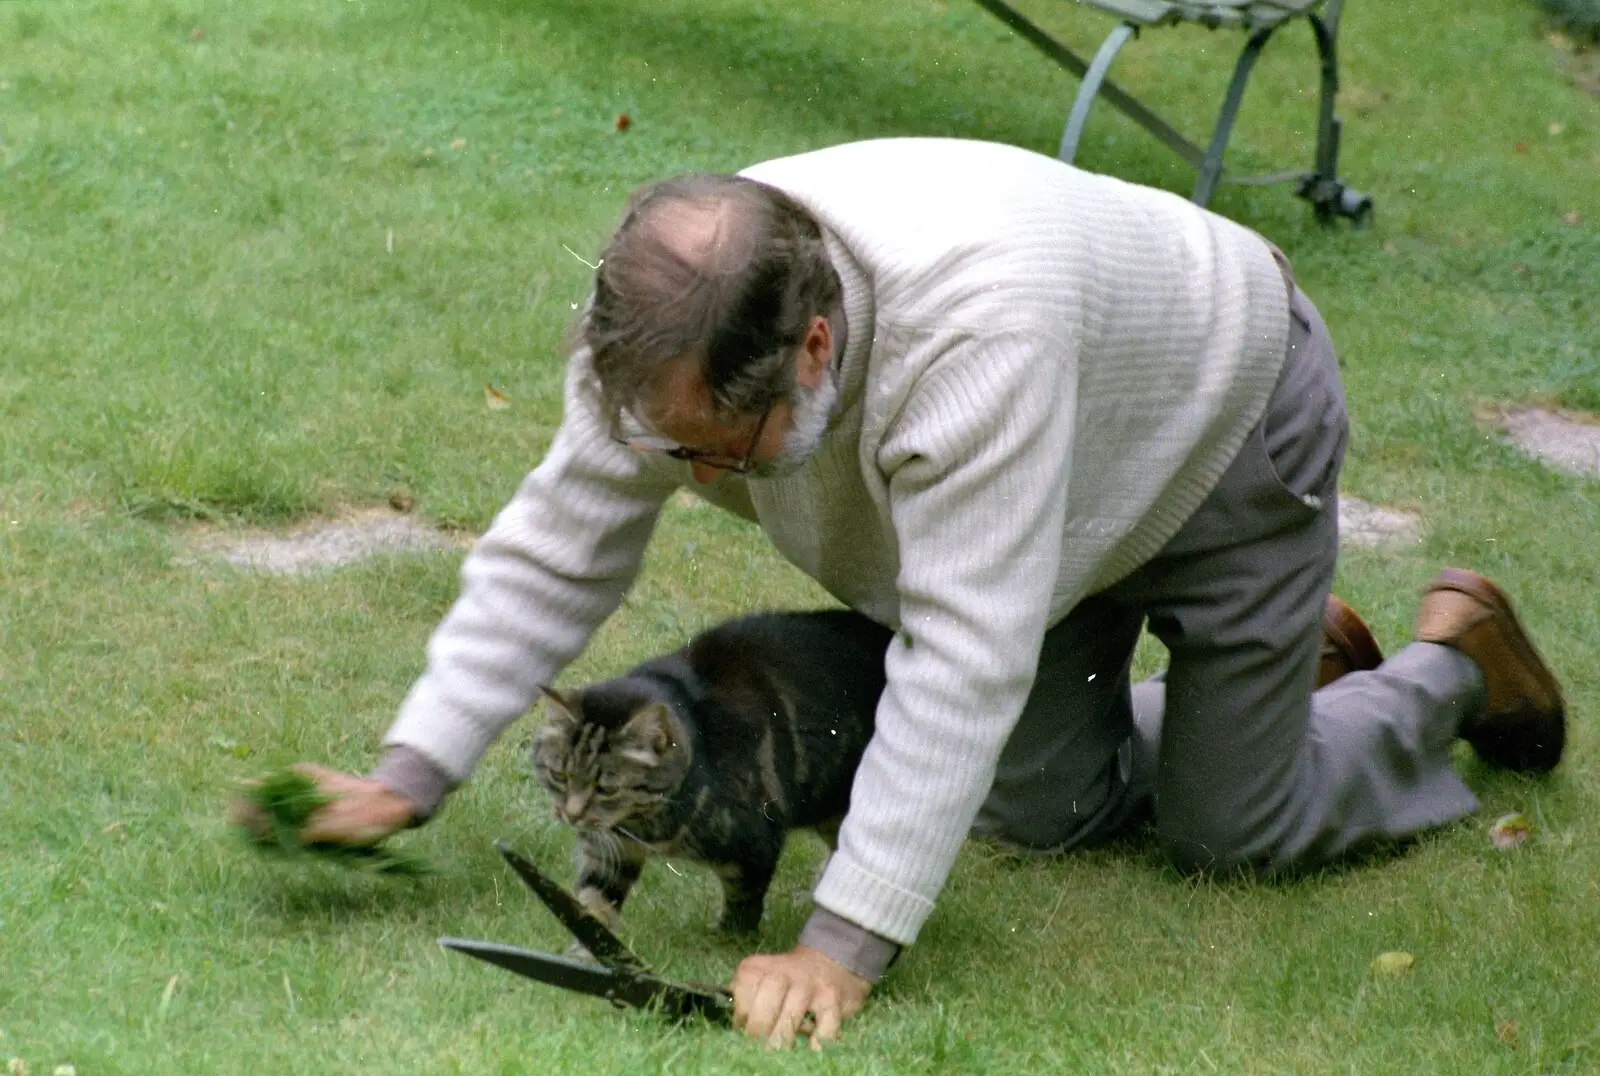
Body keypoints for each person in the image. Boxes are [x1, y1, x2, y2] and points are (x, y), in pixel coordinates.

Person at [261, 138, 1566, 1048]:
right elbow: (560, 540)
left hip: (1219, 422)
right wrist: (411, 768)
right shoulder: (651, 342)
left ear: (814, 347)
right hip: (1050, 500)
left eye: (723, 449)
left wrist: (841, 942)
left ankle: (1452, 667)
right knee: (1041, 813)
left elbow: (958, 656)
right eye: (676, 453)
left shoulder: (973, 342)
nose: (699, 477)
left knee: (1233, 828)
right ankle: (1281, 679)